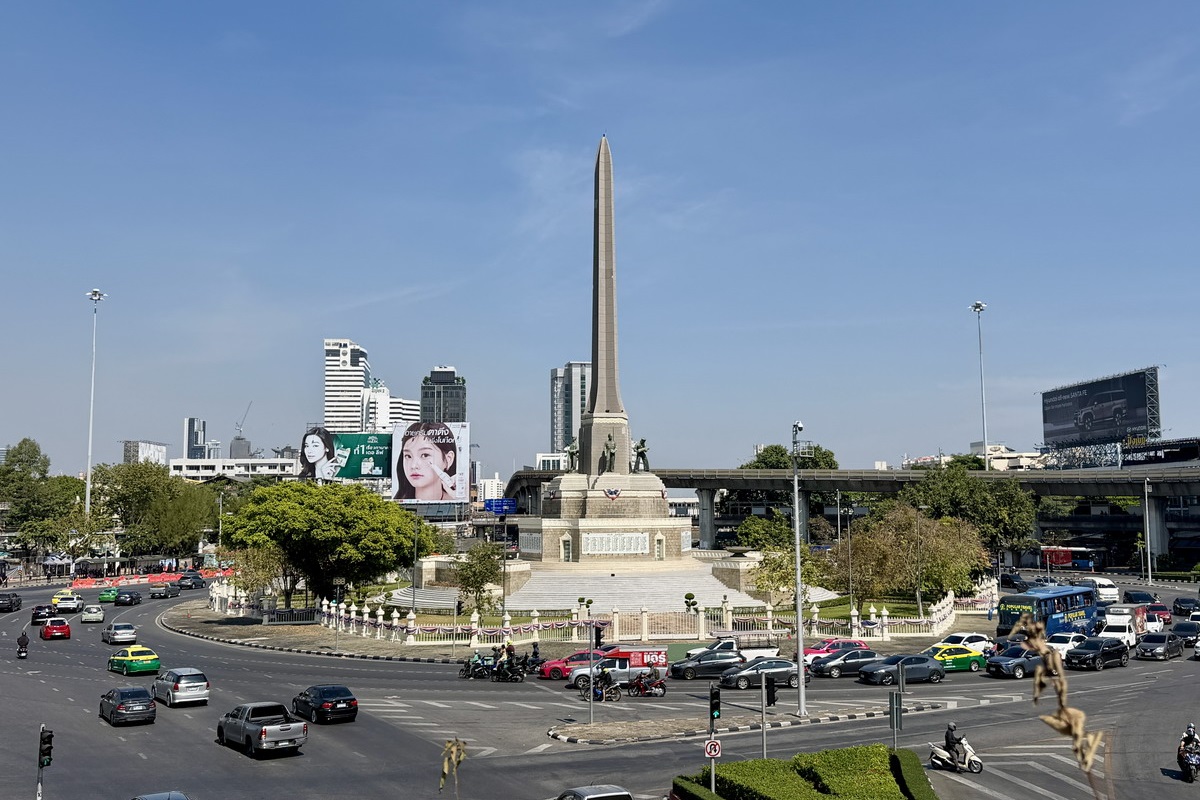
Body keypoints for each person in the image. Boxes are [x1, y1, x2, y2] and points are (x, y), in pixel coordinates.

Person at [393, 422, 460, 501]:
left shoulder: (456, 504)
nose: (414, 465)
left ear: (449, 459)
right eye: (408, 456)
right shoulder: (395, 506)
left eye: (425, 455)